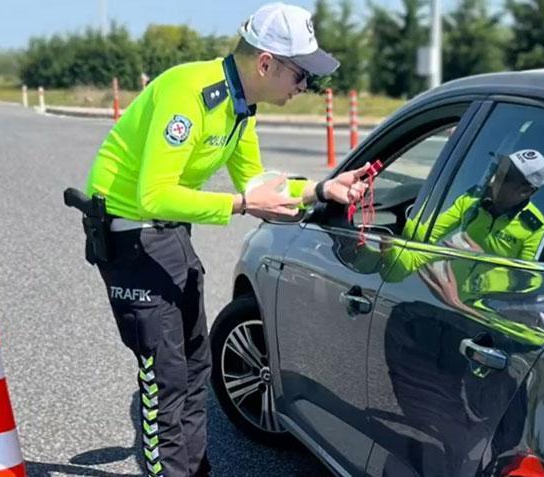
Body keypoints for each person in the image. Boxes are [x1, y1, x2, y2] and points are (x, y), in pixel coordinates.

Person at [80, 4, 368, 476]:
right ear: (265, 62)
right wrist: (238, 206)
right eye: (302, 75)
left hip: (167, 232)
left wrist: (320, 189)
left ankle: (194, 471)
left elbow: (255, 180)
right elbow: (153, 194)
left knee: (196, 366)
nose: (305, 88)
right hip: (130, 235)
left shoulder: (239, 106)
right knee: (166, 378)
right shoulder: (189, 93)